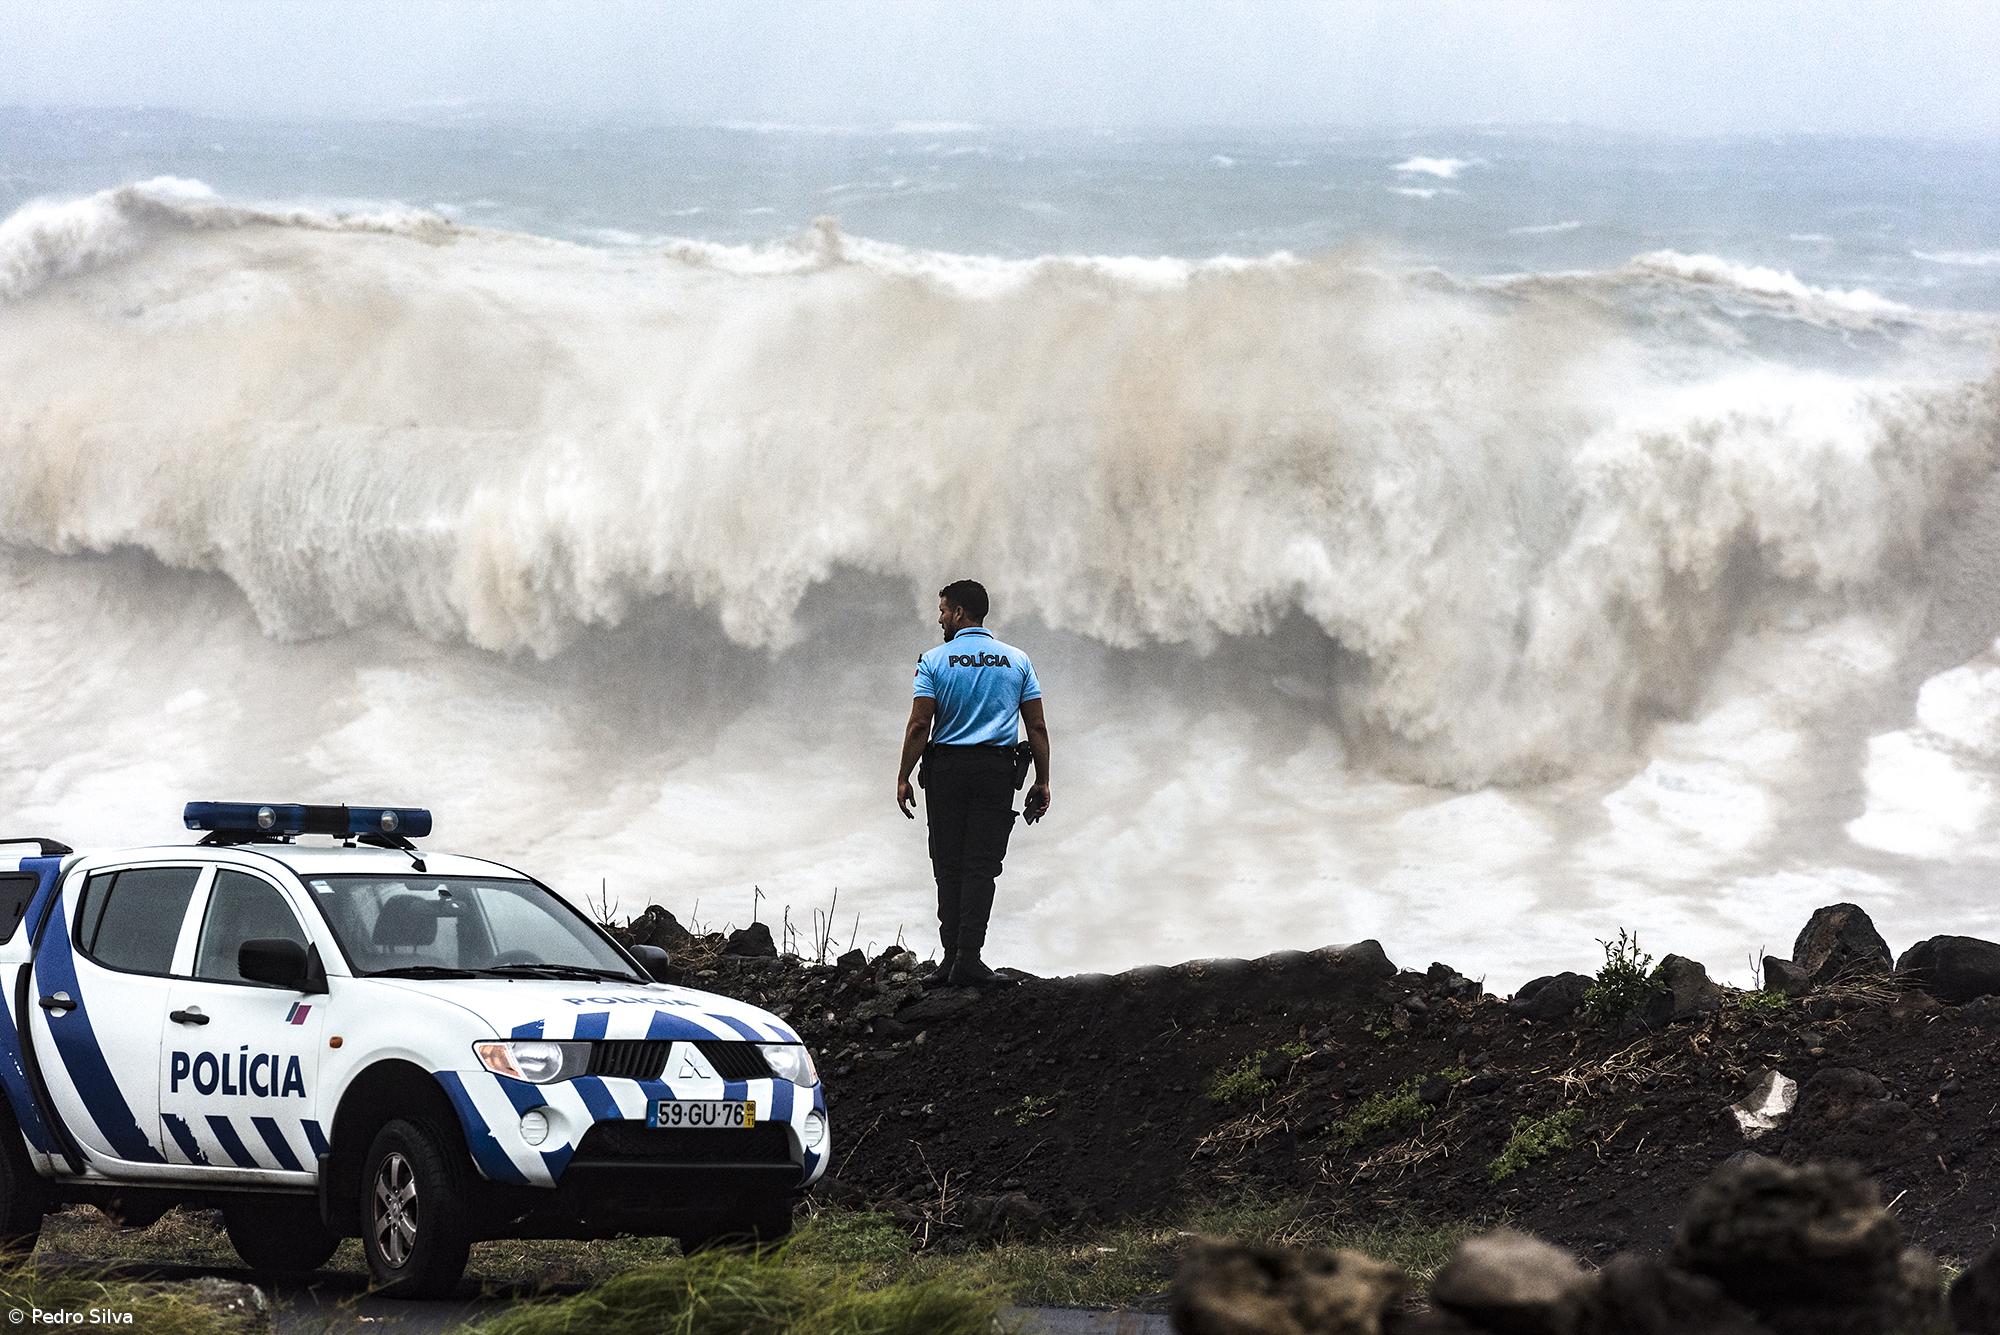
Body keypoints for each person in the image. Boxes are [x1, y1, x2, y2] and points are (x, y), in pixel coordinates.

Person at [896, 579, 1050, 987]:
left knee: (947, 865)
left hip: (946, 772)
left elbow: (918, 726)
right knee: (982, 866)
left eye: (943, 610)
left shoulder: (933, 660)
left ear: (960, 613)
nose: (940, 618)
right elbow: (1035, 724)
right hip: (995, 773)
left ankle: (950, 960)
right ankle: (968, 958)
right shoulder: (1017, 661)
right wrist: (1043, 780)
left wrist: (903, 776)